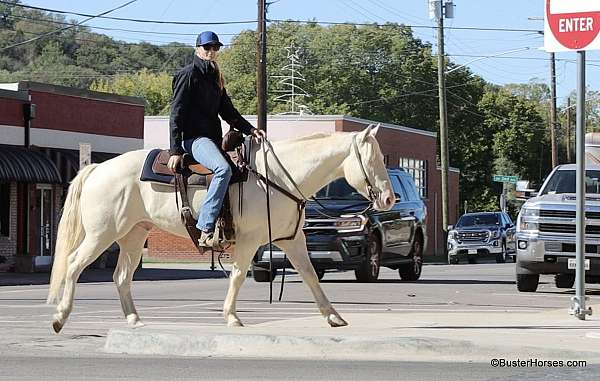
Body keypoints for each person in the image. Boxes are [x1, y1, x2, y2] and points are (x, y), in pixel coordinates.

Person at [167, 31, 265, 248]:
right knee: (223, 169)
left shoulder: (215, 78)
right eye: (207, 47)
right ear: (198, 49)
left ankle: (227, 224)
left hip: (211, 140)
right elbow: (177, 113)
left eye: (215, 48)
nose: (211, 52)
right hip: (193, 139)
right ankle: (205, 227)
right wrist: (174, 150)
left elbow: (228, 112)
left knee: (241, 170)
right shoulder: (188, 74)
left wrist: (250, 130)